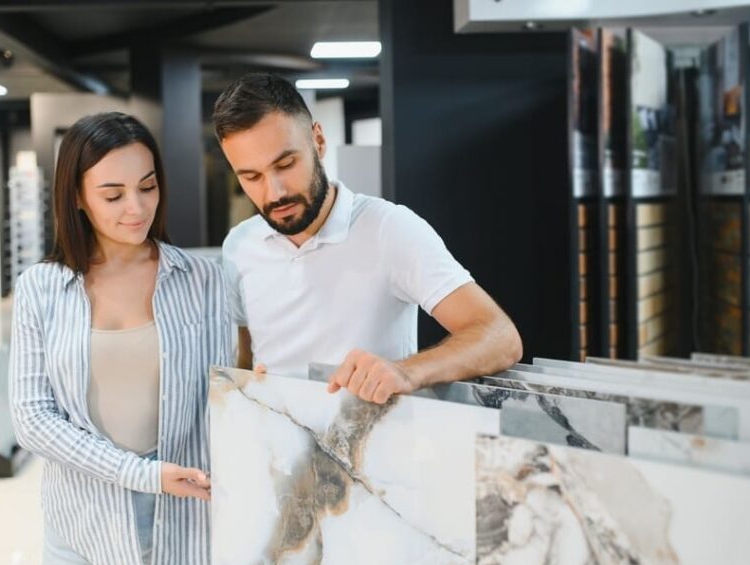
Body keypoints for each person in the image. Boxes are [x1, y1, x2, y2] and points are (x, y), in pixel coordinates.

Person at [9, 111, 229, 565]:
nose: (136, 208)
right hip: (80, 516)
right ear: (77, 198)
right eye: (112, 194)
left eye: (147, 186)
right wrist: (141, 474)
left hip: (179, 522)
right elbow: (32, 419)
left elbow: (232, 392)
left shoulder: (205, 281)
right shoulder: (43, 289)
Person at [215, 73, 522, 402]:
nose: (274, 192)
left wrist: (406, 372)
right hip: (274, 447)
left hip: (373, 446)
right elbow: (245, 360)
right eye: (251, 176)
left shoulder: (389, 228)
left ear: (318, 141)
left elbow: (500, 337)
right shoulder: (239, 245)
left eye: (286, 163)